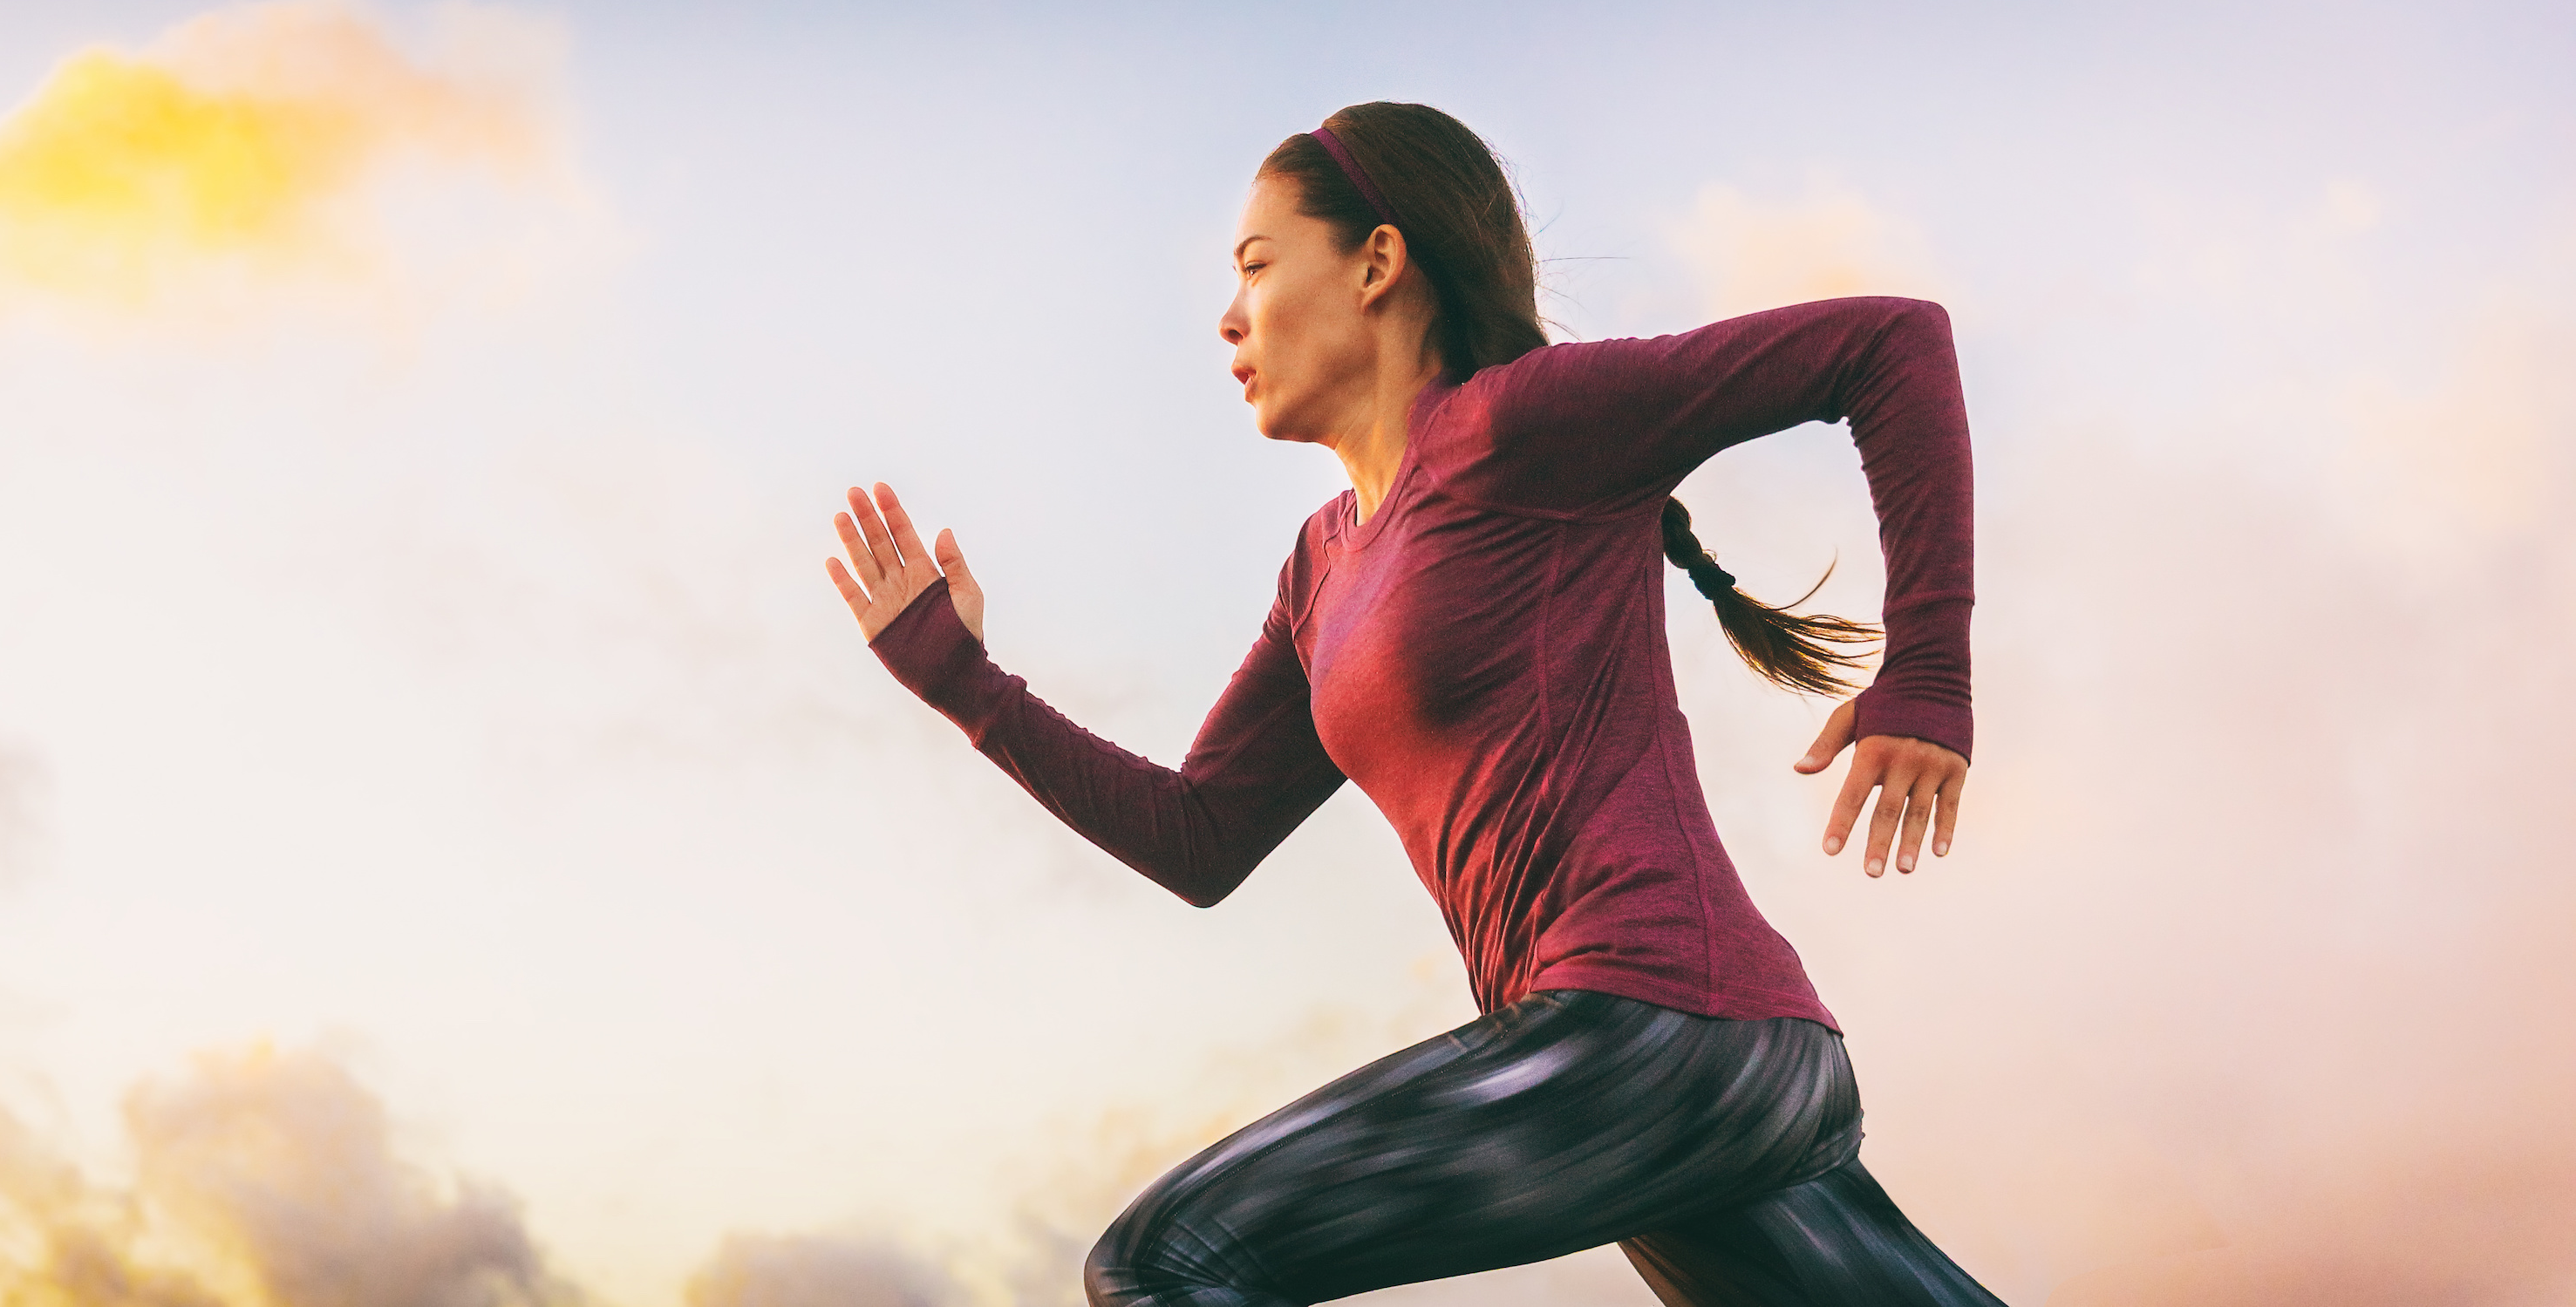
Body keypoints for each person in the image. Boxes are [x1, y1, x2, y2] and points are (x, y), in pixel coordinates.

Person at [821, 102, 2007, 1306]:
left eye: (1258, 265)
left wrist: (1927, 678)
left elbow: (1892, 344)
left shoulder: (1517, 426)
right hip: (1687, 1071)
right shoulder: (1320, 569)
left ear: (1377, 264)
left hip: (1664, 1028)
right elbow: (1202, 837)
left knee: (1169, 1261)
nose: (1229, 317)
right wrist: (966, 686)